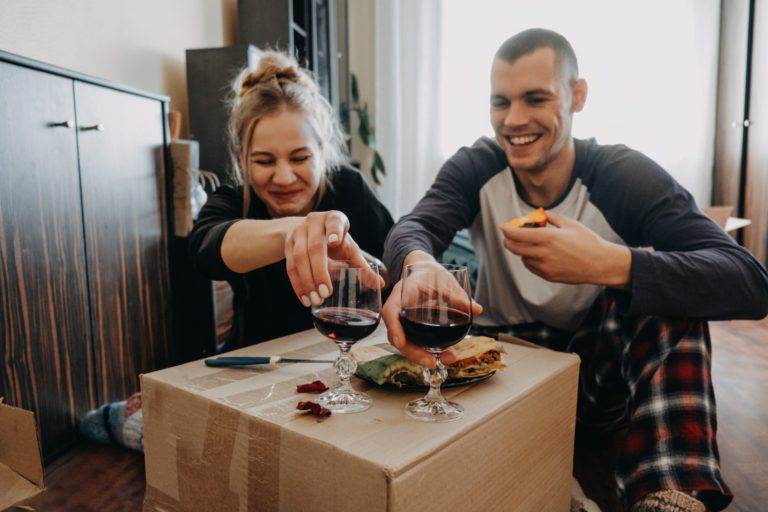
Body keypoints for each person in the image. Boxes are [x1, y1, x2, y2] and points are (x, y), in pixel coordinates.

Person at [382, 28, 768, 512]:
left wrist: (610, 263)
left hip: (596, 372)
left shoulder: (622, 174)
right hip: (505, 368)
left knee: (668, 297)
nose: (514, 120)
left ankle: (671, 495)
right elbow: (414, 226)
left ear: (577, 95)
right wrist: (417, 263)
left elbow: (749, 281)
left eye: (536, 98)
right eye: (500, 102)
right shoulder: (477, 165)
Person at [190, 50, 393, 348]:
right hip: (259, 361)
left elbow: (392, 269)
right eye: (264, 161)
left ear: (321, 153)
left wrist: (363, 268)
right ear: (241, 159)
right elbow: (205, 249)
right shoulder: (235, 198)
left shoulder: (348, 186)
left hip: (347, 354)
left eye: (299, 158)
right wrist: (300, 231)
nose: (284, 177)